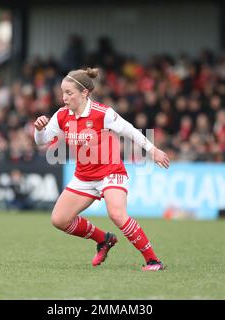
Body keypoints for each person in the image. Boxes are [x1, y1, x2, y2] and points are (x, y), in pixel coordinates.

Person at [34, 68, 169, 271]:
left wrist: (153, 150)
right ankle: (104, 239)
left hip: (110, 172)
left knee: (117, 214)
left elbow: (130, 130)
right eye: (63, 92)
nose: (64, 97)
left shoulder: (102, 113)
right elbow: (42, 141)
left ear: (84, 93)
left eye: (69, 93)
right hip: (84, 177)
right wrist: (38, 130)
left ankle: (153, 261)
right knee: (59, 220)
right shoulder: (62, 115)